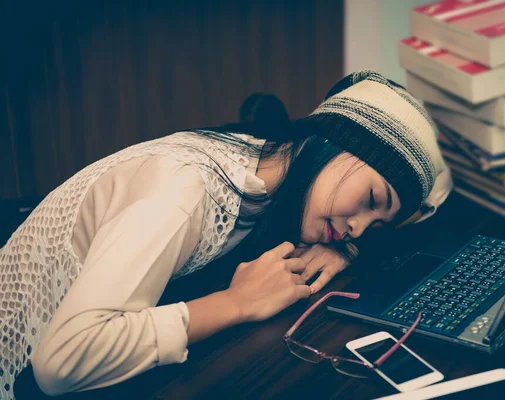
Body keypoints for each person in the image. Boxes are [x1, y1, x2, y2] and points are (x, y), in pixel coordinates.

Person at [0, 70, 452, 399]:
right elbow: (59, 364)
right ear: (333, 143)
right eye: (372, 198)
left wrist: (346, 249)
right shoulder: (183, 193)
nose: (359, 224)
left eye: (375, 223)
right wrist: (236, 304)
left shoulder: (272, 164)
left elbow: (437, 199)